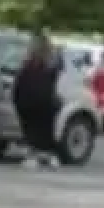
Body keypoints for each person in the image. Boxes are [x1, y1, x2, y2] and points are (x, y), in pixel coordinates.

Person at [12, 32, 63, 167]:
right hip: (45, 100)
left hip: (32, 100)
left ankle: (35, 156)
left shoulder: (30, 64)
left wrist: (17, 99)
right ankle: (49, 155)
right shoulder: (49, 65)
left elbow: (21, 83)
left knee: (32, 129)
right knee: (45, 129)